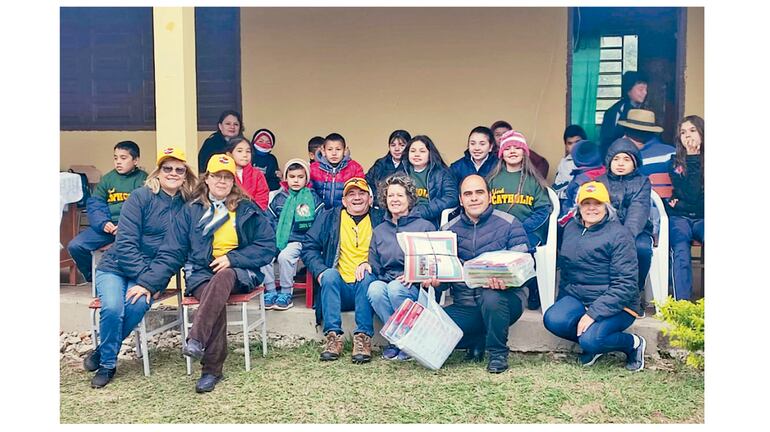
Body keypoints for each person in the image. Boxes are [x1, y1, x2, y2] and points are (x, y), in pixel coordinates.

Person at [136, 154, 276, 393]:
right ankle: (211, 369)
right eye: (216, 176)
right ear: (207, 179)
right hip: (201, 273)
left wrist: (232, 258)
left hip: (241, 272)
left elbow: (267, 246)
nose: (221, 181)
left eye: (227, 177)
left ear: (233, 181)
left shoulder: (246, 209)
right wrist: (148, 283)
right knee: (215, 294)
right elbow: (172, 251)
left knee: (224, 277)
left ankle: (197, 341)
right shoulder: (191, 211)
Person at [84, 146, 195, 388]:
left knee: (137, 303)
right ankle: (108, 364)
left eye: (179, 169)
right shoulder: (140, 197)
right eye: (168, 168)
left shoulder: (188, 207)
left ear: (185, 174)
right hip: (115, 266)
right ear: (158, 172)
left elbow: (175, 252)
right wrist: (146, 280)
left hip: (151, 272)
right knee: (113, 307)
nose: (173, 173)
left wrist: (150, 283)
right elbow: (124, 243)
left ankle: (103, 352)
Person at [543, 181, 647, 372]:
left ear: (606, 206)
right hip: (579, 296)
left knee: (591, 340)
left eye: (597, 203)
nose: (591, 208)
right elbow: (566, 271)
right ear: (578, 206)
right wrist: (562, 303)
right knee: (553, 319)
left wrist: (592, 314)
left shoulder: (620, 234)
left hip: (619, 304)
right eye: (586, 203)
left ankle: (632, 344)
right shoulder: (571, 229)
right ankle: (593, 342)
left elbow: (625, 284)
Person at [438, 175, 531, 374]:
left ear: (489, 196)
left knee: (491, 296)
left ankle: (497, 353)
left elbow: (525, 267)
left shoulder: (510, 223)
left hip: (505, 300)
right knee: (432, 333)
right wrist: (436, 281)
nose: (474, 198)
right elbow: (446, 280)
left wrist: (509, 281)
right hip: (466, 305)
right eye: (468, 194)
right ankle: (479, 338)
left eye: (479, 192)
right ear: (461, 200)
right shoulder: (447, 230)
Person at [301, 177, 384, 363]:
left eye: (362, 193)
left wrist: (373, 265)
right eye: (351, 194)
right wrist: (320, 271)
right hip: (339, 289)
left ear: (370, 199)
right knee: (329, 275)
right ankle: (333, 337)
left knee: (367, 275)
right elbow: (309, 246)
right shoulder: (329, 218)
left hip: (366, 288)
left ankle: (362, 338)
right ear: (344, 200)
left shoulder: (380, 219)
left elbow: (391, 251)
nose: (357, 198)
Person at [366, 175, 435, 361]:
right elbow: (375, 264)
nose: (394, 200)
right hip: (389, 282)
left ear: (409, 199)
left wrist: (414, 274)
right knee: (374, 289)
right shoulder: (379, 231)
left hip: (416, 286)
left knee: (396, 288)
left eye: (400, 195)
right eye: (390, 196)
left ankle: (410, 340)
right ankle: (397, 340)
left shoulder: (425, 227)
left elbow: (434, 262)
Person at [487, 130, 551, 310]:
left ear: (524, 152)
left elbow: (543, 210)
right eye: (508, 148)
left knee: (525, 251)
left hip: (528, 231)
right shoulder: (492, 179)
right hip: (499, 231)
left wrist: (520, 229)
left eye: (517, 147)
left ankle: (533, 286)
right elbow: (486, 209)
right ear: (501, 153)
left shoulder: (534, 180)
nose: (513, 151)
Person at [68, 141, 148, 282]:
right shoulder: (108, 178)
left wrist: (126, 226)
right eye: (115, 158)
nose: (118, 162)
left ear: (135, 160)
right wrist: (103, 223)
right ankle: (94, 277)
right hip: (107, 227)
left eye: (123, 158)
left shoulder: (144, 180)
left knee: (122, 251)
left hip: (131, 229)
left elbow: (146, 209)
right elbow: (95, 203)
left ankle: (123, 280)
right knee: (76, 246)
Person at [596, 138, 653, 316]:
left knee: (642, 249)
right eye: (616, 159)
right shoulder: (599, 182)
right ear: (609, 161)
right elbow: (597, 212)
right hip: (605, 230)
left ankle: (634, 292)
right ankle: (604, 292)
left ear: (635, 163)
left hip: (635, 232)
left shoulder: (642, 182)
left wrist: (623, 239)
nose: (620, 164)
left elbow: (638, 214)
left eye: (626, 159)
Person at [262, 158, 324, 310]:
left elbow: (318, 224)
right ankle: (270, 290)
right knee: (263, 255)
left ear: (306, 179)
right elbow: (268, 219)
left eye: (300, 177)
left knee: (285, 257)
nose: (296, 180)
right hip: (278, 238)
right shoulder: (279, 197)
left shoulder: (312, 198)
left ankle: (285, 292)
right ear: (286, 178)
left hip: (299, 240)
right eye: (292, 177)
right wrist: (273, 236)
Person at [666, 115, 704, 301]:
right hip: (680, 218)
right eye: (683, 132)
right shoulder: (674, 163)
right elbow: (692, 194)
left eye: (692, 130)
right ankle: (683, 304)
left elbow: (696, 199)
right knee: (680, 248)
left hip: (704, 217)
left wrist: (680, 203)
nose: (687, 136)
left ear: (702, 133)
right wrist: (692, 157)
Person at [402, 135, 459, 228]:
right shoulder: (401, 173)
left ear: (430, 153)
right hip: (405, 218)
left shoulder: (442, 173)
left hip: (432, 219)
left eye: (422, 151)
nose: (416, 154)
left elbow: (451, 198)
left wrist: (424, 211)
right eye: (412, 151)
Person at [310, 133, 366, 208]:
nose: (334, 153)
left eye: (338, 149)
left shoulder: (355, 168)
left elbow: (360, 192)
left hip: (344, 213)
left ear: (345, 150)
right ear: (323, 151)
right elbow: (308, 191)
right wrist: (318, 208)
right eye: (330, 149)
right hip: (319, 213)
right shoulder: (313, 168)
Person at [599, 71, 648, 157]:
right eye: (640, 89)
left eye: (646, 89)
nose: (645, 93)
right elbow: (607, 140)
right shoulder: (615, 111)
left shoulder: (645, 110)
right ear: (629, 90)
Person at [558, 139, 606, 222]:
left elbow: (574, 208)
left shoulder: (581, 182)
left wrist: (560, 222)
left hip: (580, 223)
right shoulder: (606, 174)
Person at [225, 135, 269, 210]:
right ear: (229, 154)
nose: (245, 155)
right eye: (240, 151)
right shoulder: (225, 173)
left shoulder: (257, 174)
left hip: (253, 215)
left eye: (248, 151)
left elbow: (262, 199)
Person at [365, 129, 411, 199]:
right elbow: (367, 182)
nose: (397, 149)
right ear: (389, 147)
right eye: (393, 145)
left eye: (402, 145)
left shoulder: (412, 165)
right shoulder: (380, 164)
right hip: (379, 205)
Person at [552, 124, 588, 200]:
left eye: (577, 142)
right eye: (570, 143)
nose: (574, 146)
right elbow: (556, 190)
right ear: (566, 146)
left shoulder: (594, 160)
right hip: (569, 203)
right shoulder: (564, 164)